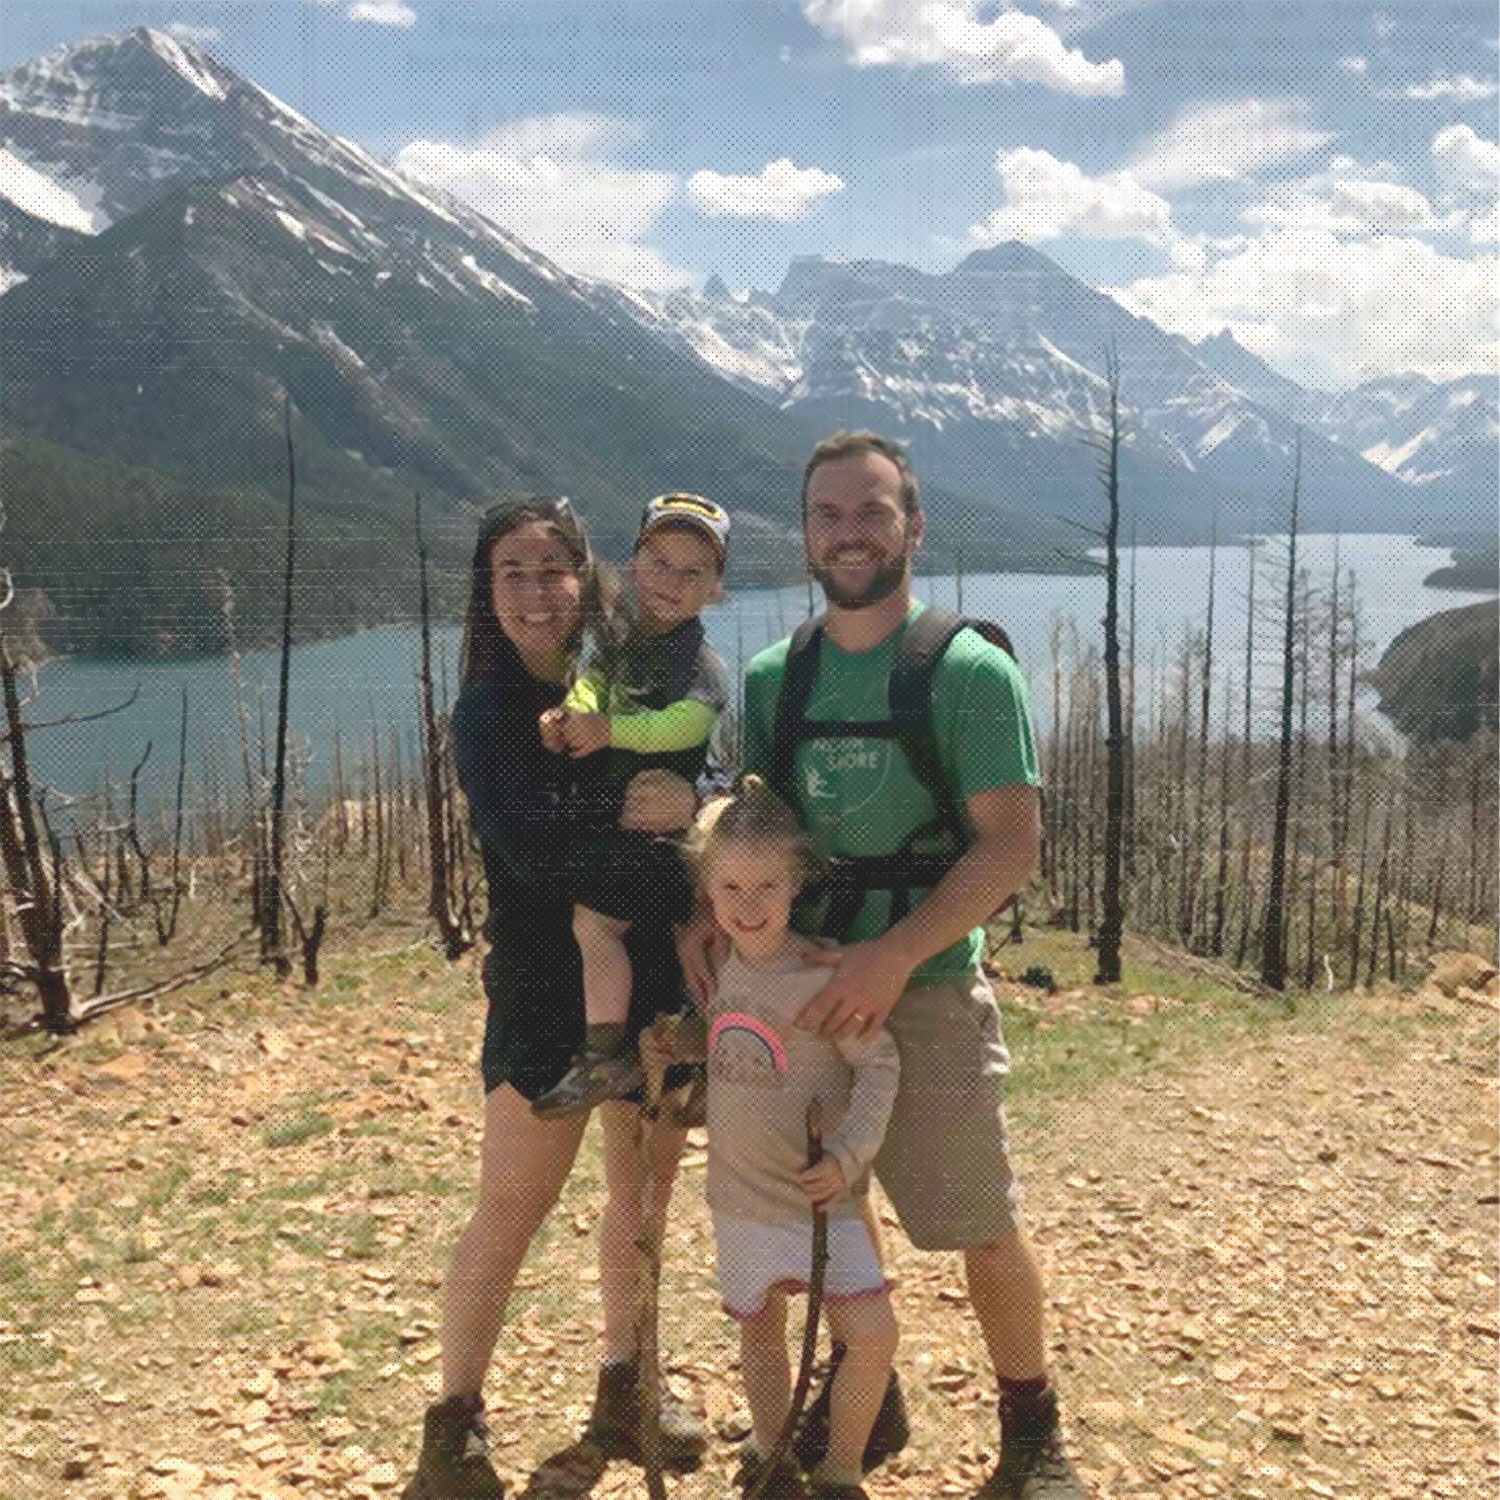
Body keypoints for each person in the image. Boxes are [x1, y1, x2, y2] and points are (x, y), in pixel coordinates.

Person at [678, 432, 1086, 1499]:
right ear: (806, 532)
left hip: (932, 985)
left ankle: (1033, 1433)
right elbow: (757, 827)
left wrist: (897, 955)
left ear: (913, 524)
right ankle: (868, 1386)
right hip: (803, 991)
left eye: (871, 511)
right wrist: (709, 910)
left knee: (974, 1220)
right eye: (827, 515)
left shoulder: (968, 672)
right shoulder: (779, 677)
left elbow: (1011, 843)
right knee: (820, 1196)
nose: (848, 533)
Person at [403, 497, 706, 1500]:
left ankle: (627, 1385)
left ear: (585, 577)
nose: (536, 589)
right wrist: (673, 866)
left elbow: (714, 770)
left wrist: (702, 807)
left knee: (643, 1195)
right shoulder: (489, 713)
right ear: (487, 594)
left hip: (653, 980)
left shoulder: (634, 672)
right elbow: (533, 853)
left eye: (552, 568)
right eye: (512, 572)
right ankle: (454, 1422)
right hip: (544, 996)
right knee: (513, 1206)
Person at [656, 776, 900, 1500]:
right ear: (708, 888)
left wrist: (851, 1156)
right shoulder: (723, 963)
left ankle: (840, 1472)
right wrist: (680, 1043)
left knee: (874, 1335)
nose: (749, 904)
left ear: (796, 883)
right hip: (739, 1201)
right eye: (730, 887)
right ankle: (772, 1459)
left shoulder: (819, 969)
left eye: (767, 885)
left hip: (822, 1202)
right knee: (760, 1333)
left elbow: (881, 1065)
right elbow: (733, 1039)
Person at [530, 493, 731, 1117]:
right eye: (659, 563)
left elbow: (688, 725)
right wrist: (575, 712)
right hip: (628, 832)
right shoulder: (617, 641)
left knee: (668, 934)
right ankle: (628, 1056)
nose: (672, 582)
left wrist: (611, 732)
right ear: (634, 565)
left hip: (678, 836)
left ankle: (680, 1055)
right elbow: (592, 680)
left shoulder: (701, 664)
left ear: (715, 591)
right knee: (614, 928)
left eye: (692, 572)